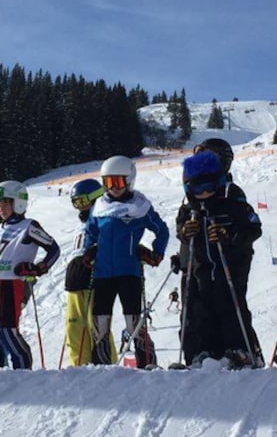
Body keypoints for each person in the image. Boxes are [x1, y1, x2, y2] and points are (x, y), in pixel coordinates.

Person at [176, 150, 263, 368]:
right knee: (196, 310)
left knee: (229, 305)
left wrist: (230, 236)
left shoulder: (233, 203)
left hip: (229, 265)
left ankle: (241, 350)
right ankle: (199, 353)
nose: (205, 193)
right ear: (188, 188)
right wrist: (186, 232)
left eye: (210, 186)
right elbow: (180, 232)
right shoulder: (188, 210)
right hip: (199, 267)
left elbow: (253, 227)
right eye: (198, 188)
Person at [82, 155, 169, 368]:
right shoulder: (99, 206)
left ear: (129, 180)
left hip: (129, 271)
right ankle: (102, 365)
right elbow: (90, 232)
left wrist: (156, 253)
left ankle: (147, 363)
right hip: (103, 273)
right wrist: (88, 251)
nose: (114, 188)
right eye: (108, 182)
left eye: (118, 182)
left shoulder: (139, 206)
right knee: (100, 323)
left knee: (134, 323)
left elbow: (162, 230)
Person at [0, 180, 60, 369]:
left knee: (7, 330)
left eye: (5, 203)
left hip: (12, 284)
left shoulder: (29, 226)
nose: (1, 208)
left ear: (18, 203)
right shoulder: (1, 227)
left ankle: (23, 370)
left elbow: (54, 249)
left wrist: (37, 268)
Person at [64, 178, 116, 366]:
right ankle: (78, 368)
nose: (80, 208)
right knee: (74, 328)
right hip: (75, 282)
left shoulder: (105, 220)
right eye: (76, 203)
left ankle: (107, 367)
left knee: (97, 329)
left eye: (83, 202)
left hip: (94, 280)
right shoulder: (82, 225)